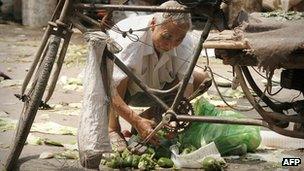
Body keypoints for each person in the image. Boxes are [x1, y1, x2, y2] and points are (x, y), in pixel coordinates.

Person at [107, 1, 211, 152]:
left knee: (203, 79)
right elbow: (111, 90)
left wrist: (176, 117)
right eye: (166, 37)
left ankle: (150, 115)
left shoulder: (187, 43)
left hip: (157, 92)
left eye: (178, 39)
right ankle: (112, 129)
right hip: (123, 93)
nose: (170, 45)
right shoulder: (130, 38)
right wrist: (135, 121)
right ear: (153, 24)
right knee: (117, 79)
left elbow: (186, 88)